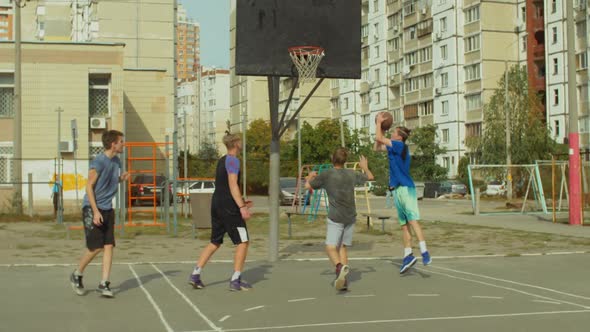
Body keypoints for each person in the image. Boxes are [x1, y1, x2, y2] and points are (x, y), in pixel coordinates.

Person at [189, 133, 253, 291]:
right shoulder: (233, 160)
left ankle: (195, 274)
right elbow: (232, 185)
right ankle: (236, 280)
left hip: (217, 204)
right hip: (229, 207)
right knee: (243, 241)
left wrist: (241, 201)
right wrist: (241, 207)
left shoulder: (222, 160)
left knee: (215, 241)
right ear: (237, 143)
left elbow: (225, 186)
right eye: (241, 141)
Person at [69, 130, 129, 297]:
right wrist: (95, 212)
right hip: (92, 207)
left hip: (107, 208)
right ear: (113, 144)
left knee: (109, 245)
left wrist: (121, 179)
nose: (123, 144)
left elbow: (109, 182)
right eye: (121, 141)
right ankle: (77, 274)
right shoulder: (99, 162)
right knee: (96, 247)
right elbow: (89, 187)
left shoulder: (116, 161)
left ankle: (104, 283)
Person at [305, 148, 374, 290]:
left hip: (336, 217)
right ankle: (343, 280)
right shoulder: (351, 174)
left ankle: (338, 268)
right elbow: (370, 177)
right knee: (341, 247)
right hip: (350, 216)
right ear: (345, 161)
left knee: (330, 248)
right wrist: (365, 168)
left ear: (332, 159)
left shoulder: (327, 174)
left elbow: (308, 187)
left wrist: (309, 176)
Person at [374, 113, 431, 274]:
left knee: (413, 221)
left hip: (406, 189)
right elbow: (376, 147)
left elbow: (379, 138)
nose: (391, 133)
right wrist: (380, 130)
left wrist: (379, 123)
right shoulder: (393, 147)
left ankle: (424, 251)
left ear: (399, 137)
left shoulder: (400, 146)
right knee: (404, 226)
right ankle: (408, 255)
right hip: (397, 190)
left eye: (394, 132)